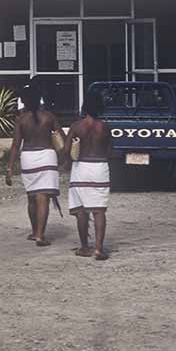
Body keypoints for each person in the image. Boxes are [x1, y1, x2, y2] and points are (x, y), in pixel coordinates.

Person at [6, 85, 65, 247]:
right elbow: (62, 139)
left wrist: (9, 168)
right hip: (47, 157)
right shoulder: (49, 117)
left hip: (28, 158)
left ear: (24, 100)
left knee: (32, 197)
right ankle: (40, 235)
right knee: (43, 198)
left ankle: (34, 232)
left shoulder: (21, 119)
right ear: (40, 99)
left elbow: (15, 145)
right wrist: (66, 157)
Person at [63, 89, 112, 260]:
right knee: (99, 211)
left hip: (81, 168)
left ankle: (84, 247)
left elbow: (66, 150)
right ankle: (98, 249)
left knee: (81, 210)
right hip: (99, 168)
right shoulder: (104, 127)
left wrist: (67, 161)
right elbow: (110, 151)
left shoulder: (76, 126)